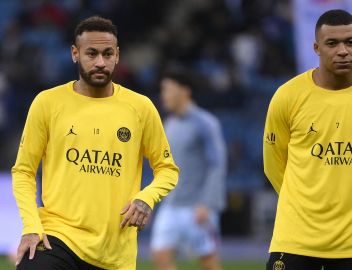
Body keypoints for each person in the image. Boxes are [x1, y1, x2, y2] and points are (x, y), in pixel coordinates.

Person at [12, 16, 179, 270]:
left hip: (113, 253)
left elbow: (167, 169)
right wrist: (31, 226)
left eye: (107, 53)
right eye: (91, 54)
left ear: (117, 55)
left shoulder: (140, 108)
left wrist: (147, 198)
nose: (100, 62)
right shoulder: (47, 103)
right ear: (75, 54)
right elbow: (23, 171)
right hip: (57, 236)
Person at [263, 9, 352, 270]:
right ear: (317, 48)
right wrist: (302, 203)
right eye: (332, 43)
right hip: (294, 239)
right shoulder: (287, 96)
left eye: (350, 42)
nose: (343, 50)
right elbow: (273, 165)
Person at [151, 70, 227, 270]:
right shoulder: (170, 124)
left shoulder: (206, 123)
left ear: (184, 91)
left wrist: (207, 203)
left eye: (167, 89)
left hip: (198, 206)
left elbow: (217, 164)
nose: (163, 95)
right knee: (160, 256)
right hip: (172, 205)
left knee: (208, 262)